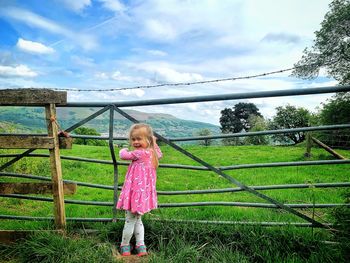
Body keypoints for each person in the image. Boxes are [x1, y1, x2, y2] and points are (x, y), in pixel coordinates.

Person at [116, 123, 162, 257]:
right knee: (138, 219)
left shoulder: (139, 153)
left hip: (134, 194)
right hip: (143, 195)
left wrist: (122, 149)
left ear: (146, 140)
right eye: (133, 139)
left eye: (138, 139)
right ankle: (141, 246)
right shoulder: (152, 153)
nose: (135, 142)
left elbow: (124, 155)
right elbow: (160, 153)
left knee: (130, 220)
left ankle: (124, 246)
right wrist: (153, 142)